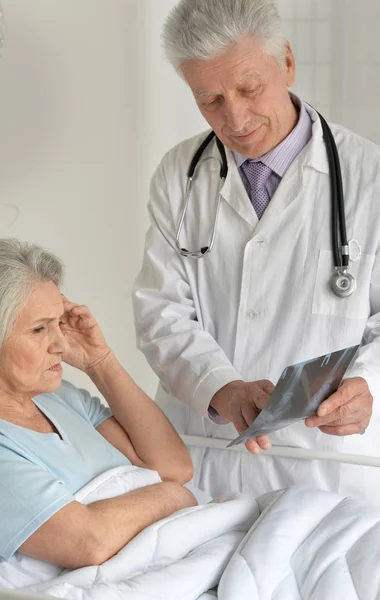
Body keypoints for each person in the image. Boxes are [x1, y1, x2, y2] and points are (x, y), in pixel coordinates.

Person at [133, 0, 380, 506]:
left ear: (286, 63)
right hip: (201, 459)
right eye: (210, 99)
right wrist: (220, 387)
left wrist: (367, 383)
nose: (236, 118)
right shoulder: (179, 173)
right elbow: (160, 311)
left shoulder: (368, 177)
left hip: (322, 467)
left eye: (248, 89)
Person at [0, 238, 195, 570]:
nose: (60, 343)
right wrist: (175, 497)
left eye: (59, 323)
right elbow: (89, 543)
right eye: (40, 329)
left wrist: (101, 363)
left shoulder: (59, 397)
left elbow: (174, 468)